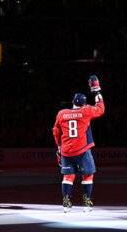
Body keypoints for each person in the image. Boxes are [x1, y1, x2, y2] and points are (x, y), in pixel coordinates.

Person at [52, 75, 105, 213]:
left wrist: (59, 147)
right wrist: (97, 92)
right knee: (87, 176)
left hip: (66, 151)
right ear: (84, 103)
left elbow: (55, 132)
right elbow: (100, 109)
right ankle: (87, 202)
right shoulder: (86, 111)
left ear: (72, 102)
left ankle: (66, 202)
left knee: (68, 176)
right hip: (82, 150)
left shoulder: (61, 114)